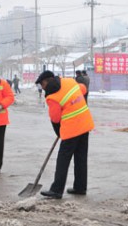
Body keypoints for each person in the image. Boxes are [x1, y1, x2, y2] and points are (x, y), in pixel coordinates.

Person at [36, 70, 94, 199]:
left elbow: (55, 119)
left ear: (46, 82)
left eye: (42, 84)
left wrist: (60, 133)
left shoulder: (52, 97)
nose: (42, 87)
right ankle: (80, 187)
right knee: (81, 158)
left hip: (72, 130)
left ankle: (57, 190)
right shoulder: (69, 81)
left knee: (63, 159)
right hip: (85, 124)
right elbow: (83, 89)